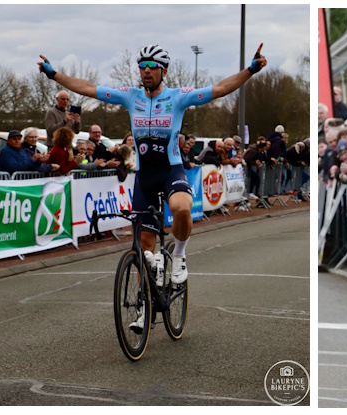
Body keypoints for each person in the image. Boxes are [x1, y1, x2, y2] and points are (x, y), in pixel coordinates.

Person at [38, 43, 266, 325]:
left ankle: (179, 257)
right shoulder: (130, 97)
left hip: (170, 170)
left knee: (182, 208)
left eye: (151, 67)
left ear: (163, 71)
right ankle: (143, 311)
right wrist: (55, 75)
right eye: (142, 67)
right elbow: (88, 87)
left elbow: (219, 89)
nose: (145, 72)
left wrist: (250, 70)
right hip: (144, 179)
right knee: (143, 252)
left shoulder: (178, 97)